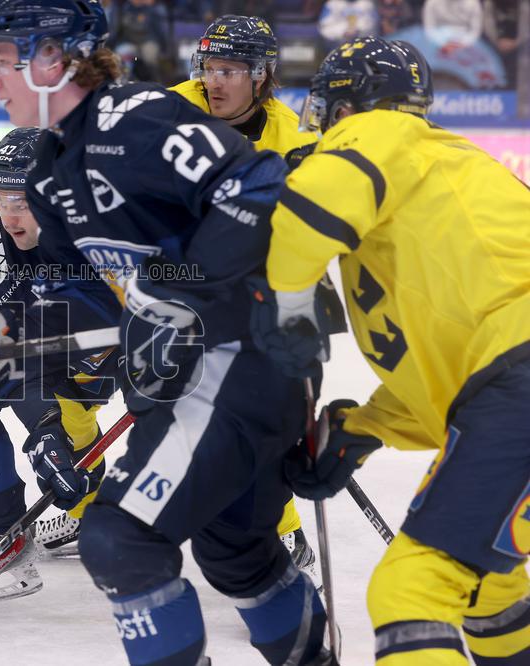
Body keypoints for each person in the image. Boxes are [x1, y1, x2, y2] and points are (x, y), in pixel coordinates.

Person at [0, 1, 335, 663]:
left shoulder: (136, 118)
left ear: (53, 63)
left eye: (1, 63)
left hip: (246, 353)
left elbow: (258, 188)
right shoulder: (50, 168)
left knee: (120, 537)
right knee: (235, 554)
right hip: (201, 370)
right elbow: (55, 284)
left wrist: (175, 293)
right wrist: (6, 338)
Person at [253, 36, 530, 664]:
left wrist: (290, 304)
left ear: (350, 110)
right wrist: (361, 427)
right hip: (511, 382)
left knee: (410, 588)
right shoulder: (428, 186)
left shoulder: (381, 132)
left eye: (328, 111)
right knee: (488, 587)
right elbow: (453, 377)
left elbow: (302, 216)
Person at [0, 126, 122, 606]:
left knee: (220, 441)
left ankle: (273, 533)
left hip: (144, 344)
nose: (9, 217)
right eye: (0, 200)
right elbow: (7, 354)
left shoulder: (108, 231)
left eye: (22, 202)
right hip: (63, 350)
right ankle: (8, 537)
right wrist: (45, 429)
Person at [169, 14, 323, 587]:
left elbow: (309, 229)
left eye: (230, 70)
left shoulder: (295, 135)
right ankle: (90, 506)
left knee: (261, 416)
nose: (214, 81)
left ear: (262, 76)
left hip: (258, 289)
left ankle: (277, 523)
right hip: (172, 283)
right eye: (209, 67)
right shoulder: (167, 114)